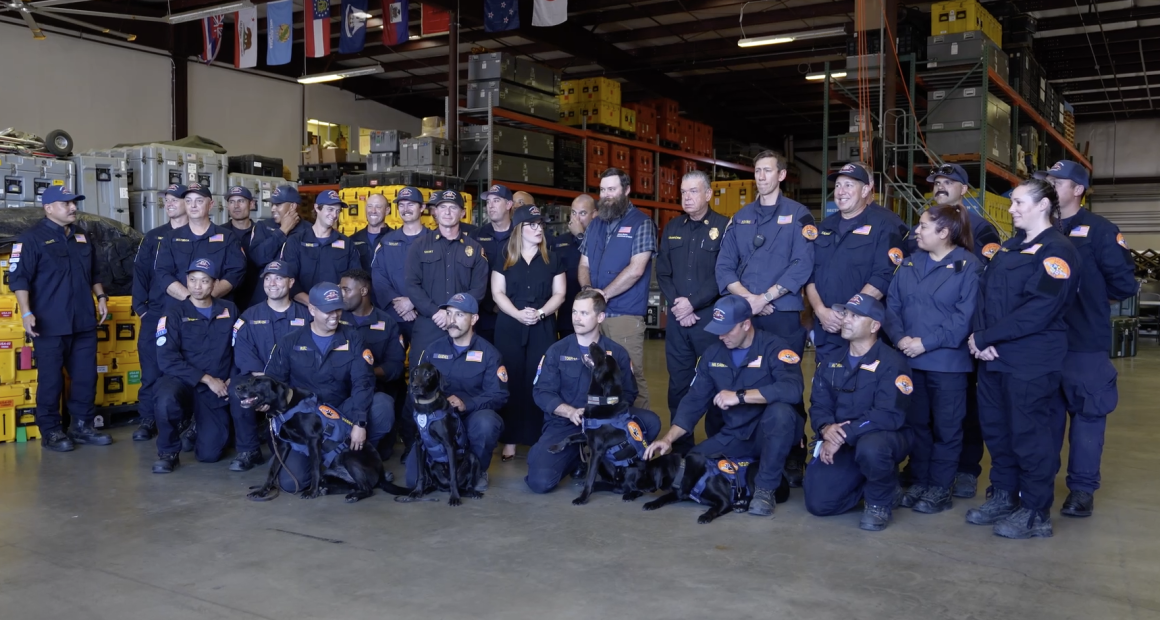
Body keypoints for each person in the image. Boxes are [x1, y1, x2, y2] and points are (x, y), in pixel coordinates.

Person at [967, 178, 1079, 539]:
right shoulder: (1009, 248)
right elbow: (983, 297)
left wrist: (987, 336)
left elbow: (1040, 309)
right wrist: (979, 341)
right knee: (998, 433)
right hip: (993, 358)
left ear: (1043, 205)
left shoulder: (1058, 251)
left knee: (1029, 437)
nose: (1011, 209)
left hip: (1031, 361)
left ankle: (1035, 510)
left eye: (1017, 203)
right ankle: (1004, 495)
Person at [643, 295, 804, 516]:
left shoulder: (774, 348)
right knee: (694, 462)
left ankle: (765, 488)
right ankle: (754, 467)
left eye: (728, 330)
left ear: (746, 324)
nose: (722, 336)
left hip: (767, 432)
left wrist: (739, 396)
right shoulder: (713, 354)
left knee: (781, 412)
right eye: (719, 329)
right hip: (735, 435)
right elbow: (694, 401)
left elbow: (792, 390)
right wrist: (668, 439)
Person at [1040, 161, 1137, 518]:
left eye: (1056, 181)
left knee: (1088, 418)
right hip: (1043, 344)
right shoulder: (1037, 230)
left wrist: (1088, 299)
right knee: (1044, 418)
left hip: (1083, 344)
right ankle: (1039, 483)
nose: (1049, 186)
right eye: (1046, 181)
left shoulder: (1099, 231)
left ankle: (1081, 490)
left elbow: (1124, 284)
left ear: (1078, 189)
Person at [884, 205, 982, 514]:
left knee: (947, 428)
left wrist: (925, 343)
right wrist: (900, 339)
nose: (917, 231)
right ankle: (921, 482)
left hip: (947, 364)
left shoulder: (968, 266)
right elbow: (892, 306)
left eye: (924, 226)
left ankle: (940, 487)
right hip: (910, 361)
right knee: (917, 426)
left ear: (945, 232)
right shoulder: (910, 264)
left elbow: (964, 318)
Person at [525, 290, 661, 494]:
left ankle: (612, 460)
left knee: (650, 422)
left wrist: (607, 413)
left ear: (600, 317)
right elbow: (542, 392)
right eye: (574, 312)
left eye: (584, 313)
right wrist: (569, 411)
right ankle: (577, 458)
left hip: (607, 424)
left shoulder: (617, 353)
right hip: (567, 424)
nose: (576, 319)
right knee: (540, 482)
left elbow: (630, 392)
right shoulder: (557, 351)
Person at [921, 164, 1002, 500]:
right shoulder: (924, 226)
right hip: (928, 334)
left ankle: (968, 469)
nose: (941, 187)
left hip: (965, 334)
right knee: (926, 411)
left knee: (966, 407)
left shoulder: (982, 229)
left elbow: (986, 282)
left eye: (949, 183)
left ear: (964, 190)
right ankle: (926, 468)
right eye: (937, 182)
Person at [10, 185, 112, 451]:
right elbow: (19, 279)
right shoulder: (30, 239)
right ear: (49, 208)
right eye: (66, 203)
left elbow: (95, 273)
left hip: (83, 322)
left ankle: (82, 426)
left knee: (85, 377)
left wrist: (101, 298)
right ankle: (52, 431)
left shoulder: (81, 236)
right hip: (49, 323)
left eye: (74, 203)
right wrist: (26, 312)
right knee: (51, 379)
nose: (73, 207)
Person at [264, 282, 390, 491]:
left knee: (382, 404)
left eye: (338, 309)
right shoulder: (290, 341)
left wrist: (360, 422)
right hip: (305, 418)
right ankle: (327, 468)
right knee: (291, 484)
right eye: (328, 311)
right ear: (312, 309)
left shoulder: (353, 337)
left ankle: (364, 463)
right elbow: (274, 381)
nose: (335, 315)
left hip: (342, 410)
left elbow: (363, 381)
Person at [804, 294, 912, 531]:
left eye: (855, 316)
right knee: (818, 504)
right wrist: (826, 429)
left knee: (872, 449)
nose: (846, 320)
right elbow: (819, 405)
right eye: (845, 314)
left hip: (881, 438)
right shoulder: (831, 361)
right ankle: (876, 481)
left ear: (874, 326)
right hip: (841, 440)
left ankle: (879, 501)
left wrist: (844, 434)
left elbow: (888, 414)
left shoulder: (892, 363)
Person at [656, 170, 731, 454]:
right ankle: (681, 446)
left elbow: (723, 273)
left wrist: (693, 303)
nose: (686, 197)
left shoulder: (725, 227)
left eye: (693, 191)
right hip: (678, 320)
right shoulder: (672, 227)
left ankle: (717, 445)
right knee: (678, 383)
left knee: (715, 380)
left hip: (710, 319)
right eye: (683, 192)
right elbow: (663, 272)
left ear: (709, 194)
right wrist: (679, 305)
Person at [715, 150, 815, 355]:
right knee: (744, 375)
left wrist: (764, 298)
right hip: (744, 313)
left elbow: (802, 264)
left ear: (781, 175)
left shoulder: (799, 215)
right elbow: (724, 266)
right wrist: (750, 299)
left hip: (782, 313)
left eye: (767, 171)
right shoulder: (741, 217)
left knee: (783, 377)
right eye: (757, 171)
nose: (761, 176)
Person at [806, 162, 905, 364]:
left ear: (866, 189)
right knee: (825, 391)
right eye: (838, 185)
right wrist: (820, 311)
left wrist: (849, 314)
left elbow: (883, 276)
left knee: (863, 390)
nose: (841, 192)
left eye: (849, 185)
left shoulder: (885, 225)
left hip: (864, 333)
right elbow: (810, 275)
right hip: (827, 329)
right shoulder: (825, 226)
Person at [408, 294, 507, 492]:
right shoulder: (432, 350)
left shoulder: (489, 354)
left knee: (488, 422)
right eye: (449, 314)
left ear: (474, 319)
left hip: (471, 417)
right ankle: (438, 468)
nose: (452, 321)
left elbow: (499, 395)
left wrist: (466, 403)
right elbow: (416, 386)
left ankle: (475, 472)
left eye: (459, 315)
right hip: (438, 420)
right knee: (412, 480)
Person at [490, 205, 567, 461]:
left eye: (540, 225)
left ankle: (537, 437)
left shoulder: (553, 259)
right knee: (510, 379)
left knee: (540, 380)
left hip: (542, 326)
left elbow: (560, 294)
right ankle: (510, 440)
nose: (538, 229)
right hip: (510, 326)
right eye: (531, 225)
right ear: (518, 230)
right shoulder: (504, 257)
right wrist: (517, 314)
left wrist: (542, 313)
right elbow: (497, 293)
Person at [579, 168, 657, 409]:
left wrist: (603, 294)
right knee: (593, 374)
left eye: (612, 189)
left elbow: (636, 269)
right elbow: (584, 264)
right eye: (602, 190)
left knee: (630, 374)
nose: (606, 195)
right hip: (595, 314)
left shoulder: (642, 223)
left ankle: (640, 433)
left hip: (624, 315)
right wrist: (587, 290)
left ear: (626, 190)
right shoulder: (595, 225)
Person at [152, 258, 237, 472]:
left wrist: (232, 378)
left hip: (217, 387)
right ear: (186, 282)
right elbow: (166, 359)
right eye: (192, 280)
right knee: (165, 399)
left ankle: (197, 426)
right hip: (182, 381)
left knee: (210, 455)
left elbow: (241, 348)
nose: (197, 287)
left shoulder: (230, 310)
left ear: (214, 284)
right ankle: (168, 452)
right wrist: (207, 379)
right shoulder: (173, 314)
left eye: (204, 281)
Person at [227, 260, 311, 472]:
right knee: (237, 387)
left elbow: (310, 359)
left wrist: (279, 391)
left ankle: (299, 443)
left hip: (294, 383)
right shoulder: (248, 316)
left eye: (279, 278)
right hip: (260, 381)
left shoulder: (307, 316)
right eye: (267, 278)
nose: (272, 283)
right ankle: (249, 450)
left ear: (291, 282)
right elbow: (245, 356)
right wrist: (267, 391)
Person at [131, 183, 189, 442]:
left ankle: (184, 419)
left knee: (183, 368)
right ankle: (148, 419)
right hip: (155, 313)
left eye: (175, 199)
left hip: (187, 314)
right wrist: (141, 309)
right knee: (151, 370)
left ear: (190, 203)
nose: (169, 203)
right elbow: (140, 274)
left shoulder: (198, 235)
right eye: (166, 200)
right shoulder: (153, 237)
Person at [404, 189, 489, 367]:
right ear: (435, 211)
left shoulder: (475, 249)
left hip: (463, 327)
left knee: (463, 378)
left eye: (453, 207)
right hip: (429, 323)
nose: (447, 212)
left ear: (463, 213)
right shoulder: (419, 246)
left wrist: (455, 314)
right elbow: (412, 284)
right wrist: (436, 312)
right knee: (421, 380)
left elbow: (478, 289)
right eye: (443, 207)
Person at [339, 268, 404, 457]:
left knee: (383, 407)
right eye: (340, 289)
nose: (341, 295)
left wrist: (365, 373)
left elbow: (396, 367)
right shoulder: (335, 318)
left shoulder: (388, 322)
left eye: (346, 290)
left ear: (364, 291)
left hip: (373, 393)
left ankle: (367, 455)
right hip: (339, 395)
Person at [281, 189, 360, 306]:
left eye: (338, 211)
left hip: (336, 309)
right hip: (303, 309)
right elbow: (289, 279)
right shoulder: (296, 241)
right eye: (330, 209)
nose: (334, 215)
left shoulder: (347, 244)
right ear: (317, 208)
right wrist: (312, 304)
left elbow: (355, 279)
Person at [372, 186, 428, 345]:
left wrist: (413, 301)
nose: (406, 209)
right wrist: (398, 302)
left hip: (425, 315)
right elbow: (378, 276)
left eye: (411, 204)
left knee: (423, 364)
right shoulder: (387, 241)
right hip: (393, 315)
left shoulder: (434, 240)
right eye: (401, 205)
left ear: (422, 207)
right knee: (393, 364)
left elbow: (439, 278)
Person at [472, 184, 517, 344]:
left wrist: (506, 304)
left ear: (509, 205)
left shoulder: (520, 234)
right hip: (484, 313)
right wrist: (491, 305)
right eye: (488, 201)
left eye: (496, 200)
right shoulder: (476, 236)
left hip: (514, 311)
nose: (490, 205)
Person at [553, 193, 595, 339]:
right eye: (573, 213)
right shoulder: (559, 241)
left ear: (594, 215)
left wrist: (580, 236)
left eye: (582, 213)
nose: (576, 219)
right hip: (566, 313)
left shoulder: (600, 240)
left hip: (591, 313)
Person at [249, 185, 309, 269]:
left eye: (278, 204)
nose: (272, 209)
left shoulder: (309, 230)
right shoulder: (263, 226)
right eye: (272, 204)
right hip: (268, 281)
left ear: (293, 206)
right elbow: (257, 259)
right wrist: (282, 231)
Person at [222, 185, 261, 311]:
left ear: (251, 204)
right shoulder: (219, 233)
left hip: (256, 300)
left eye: (241, 201)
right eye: (232, 202)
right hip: (226, 300)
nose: (236, 206)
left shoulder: (263, 233)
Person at [352, 193, 389, 272]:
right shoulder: (353, 240)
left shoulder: (395, 239)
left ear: (387, 211)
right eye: (369, 206)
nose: (373, 211)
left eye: (378, 207)